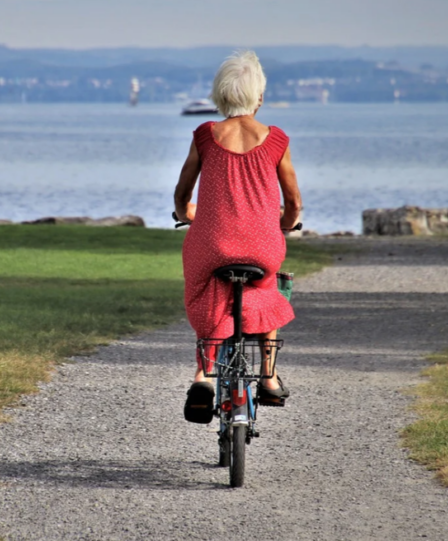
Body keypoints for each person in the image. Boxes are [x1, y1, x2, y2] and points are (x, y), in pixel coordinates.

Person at [173, 50, 302, 423]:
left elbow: (183, 195)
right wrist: (287, 223)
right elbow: (293, 201)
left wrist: (187, 215)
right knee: (266, 290)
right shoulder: (276, 139)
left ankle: (204, 376)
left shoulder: (205, 135)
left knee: (207, 288)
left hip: (212, 243)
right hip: (262, 246)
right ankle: (269, 375)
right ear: (258, 96)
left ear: (220, 95)